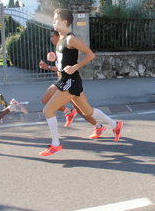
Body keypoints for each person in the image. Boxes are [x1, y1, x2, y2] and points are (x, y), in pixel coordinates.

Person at [39, 9, 123, 157]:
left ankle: (56, 144)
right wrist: (53, 59)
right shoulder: (61, 40)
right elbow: (63, 62)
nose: (52, 22)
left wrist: (75, 67)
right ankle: (115, 125)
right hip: (66, 80)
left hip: (70, 81)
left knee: (47, 110)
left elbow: (90, 54)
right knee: (87, 112)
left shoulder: (71, 39)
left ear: (64, 22)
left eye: (55, 19)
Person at [39, 30, 108, 139]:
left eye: (52, 37)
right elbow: (60, 67)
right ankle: (69, 112)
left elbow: (68, 66)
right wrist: (53, 60)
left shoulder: (70, 49)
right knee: (45, 99)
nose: (51, 39)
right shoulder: (59, 50)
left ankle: (98, 126)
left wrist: (48, 67)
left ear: (59, 37)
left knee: (83, 110)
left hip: (70, 82)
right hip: (61, 82)